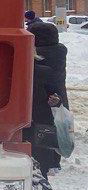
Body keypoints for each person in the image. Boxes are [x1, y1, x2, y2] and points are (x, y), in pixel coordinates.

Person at [27, 20, 69, 175]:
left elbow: (39, 74)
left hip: (39, 110)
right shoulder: (59, 52)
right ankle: (51, 163)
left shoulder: (38, 58)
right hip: (54, 104)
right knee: (48, 138)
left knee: (38, 152)